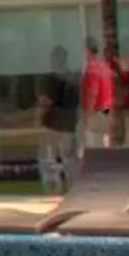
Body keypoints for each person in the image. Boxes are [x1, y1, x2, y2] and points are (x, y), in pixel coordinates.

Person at [38, 46, 79, 187]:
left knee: (50, 156)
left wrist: (40, 114)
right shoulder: (72, 77)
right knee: (68, 156)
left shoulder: (52, 79)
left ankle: (53, 184)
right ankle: (71, 183)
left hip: (54, 124)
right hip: (69, 123)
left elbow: (46, 101)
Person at [81, 41, 117, 151]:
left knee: (92, 140)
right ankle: (106, 164)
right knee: (104, 139)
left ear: (88, 51)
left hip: (97, 109)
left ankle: (96, 165)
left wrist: (88, 113)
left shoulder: (92, 68)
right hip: (106, 108)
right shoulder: (104, 66)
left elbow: (93, 92)